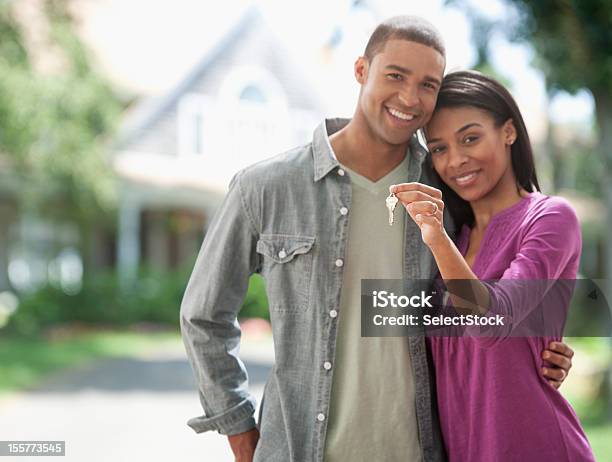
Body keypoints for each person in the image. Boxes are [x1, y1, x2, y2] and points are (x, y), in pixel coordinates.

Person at [179, 16, 574, 462]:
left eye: (428, 84)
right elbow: (204, 317)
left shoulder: (449, 191)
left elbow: (480, 309)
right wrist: (242, 435)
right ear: (361, 70)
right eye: (395, 76)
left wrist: (538, 350)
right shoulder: (265, 188)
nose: (410, 97)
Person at [390, 70, 595, 461]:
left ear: (509, 132)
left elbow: (489, 324)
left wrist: (434, 236)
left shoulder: (550, 218)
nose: (456, 161)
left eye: (470, 138)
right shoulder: (458, 237)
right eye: (439, 148)